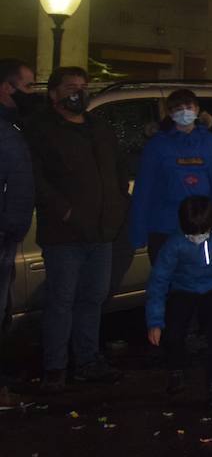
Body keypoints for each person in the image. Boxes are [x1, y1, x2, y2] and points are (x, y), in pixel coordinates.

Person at [25, 67, 127, 392]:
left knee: (93, 298)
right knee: (62, 300)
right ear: (54, 94)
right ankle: (55, 368)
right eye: (71, 87)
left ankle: (88, 361)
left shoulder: (99, 128)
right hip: (65, 234)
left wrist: (118, 202)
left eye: (83, 87)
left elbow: (118, 167)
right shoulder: (41, 130)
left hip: (101, 231)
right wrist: (65, 210)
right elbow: (37, 179)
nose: (78, 93)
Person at [145, 196, 212, 409]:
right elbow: (158, 281)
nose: (195, 238)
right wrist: (155, 322)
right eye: (190, 234)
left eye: (199, 234)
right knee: (174, 331)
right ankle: (176, 370)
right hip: (184, 287)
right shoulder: (175, 242)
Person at [128, 89, 212, 266]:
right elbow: (143, 190)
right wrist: (138, 231)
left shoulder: (211, 143)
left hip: (199, 228)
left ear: (197, 110)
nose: (184, 112)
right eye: (177, 108)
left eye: (188, 107)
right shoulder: (157, 145)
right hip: (163, 228)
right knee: (165, 285)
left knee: (197, 286)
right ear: (170, 113)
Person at [0, 64, 35, 408]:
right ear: (7, 88)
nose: (31, 92)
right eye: (27, 85)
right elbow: (21, 187)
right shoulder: (8, 132)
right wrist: (13, 227)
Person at [0, 58, 39, 124]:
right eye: (28, 86)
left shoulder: (15, 117)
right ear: (6, 87)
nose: (33, 91)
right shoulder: (5, 126)